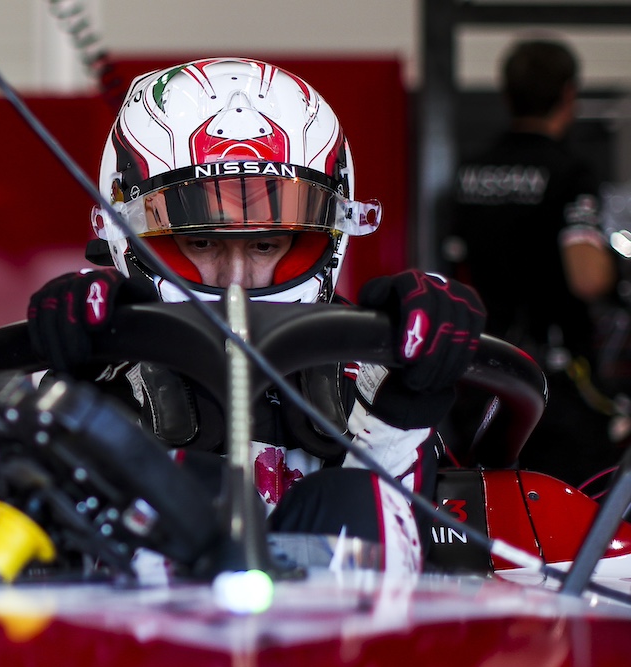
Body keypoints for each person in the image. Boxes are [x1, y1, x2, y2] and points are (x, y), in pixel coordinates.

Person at [25, 58, 486, 575]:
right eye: (200, 241)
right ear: (127, 236)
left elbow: (391, 534)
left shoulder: (373, 369)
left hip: (338, 647)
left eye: (267, 243)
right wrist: (70, 394)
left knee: (351, 500)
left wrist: (411, 392)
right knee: (181, 490)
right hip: (141, 648)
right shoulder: (94, 365)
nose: (237, 277)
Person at [447, 38, 622, 487]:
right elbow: (587, 277)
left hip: (476, 373)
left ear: (507, 96)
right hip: (552, 387)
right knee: (570, 522)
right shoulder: (570, 172)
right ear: (569, 95)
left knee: (488, 508)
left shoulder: (470, 172)